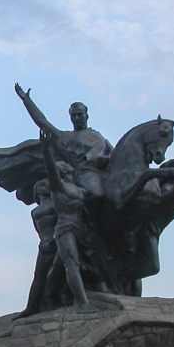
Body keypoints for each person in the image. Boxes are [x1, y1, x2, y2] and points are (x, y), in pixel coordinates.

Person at [16, 84, 113, 200]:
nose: (77, 118)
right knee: (96, 194)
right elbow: (41, 121)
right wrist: (26, 100)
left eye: (80, 114)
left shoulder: (97, 136)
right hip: (85, 173)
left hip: (106, 171)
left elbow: (116, 154)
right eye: (74, 115)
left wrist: (106, 159)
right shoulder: (64, 137)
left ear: (86, 116)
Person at [40, 131, 97, 313]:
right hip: (65, 229)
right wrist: (46, 150)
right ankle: (83, 304)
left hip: (81, 230)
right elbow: (50, 169)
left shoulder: (80, 190)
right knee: (71, 263)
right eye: (62, 165)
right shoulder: (59, 188)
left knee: (58, 268)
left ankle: (48, 294)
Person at [19, 179, 57, 318]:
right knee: (39, 276)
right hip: (45, 245)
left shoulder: (55, 204)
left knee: (53, 274)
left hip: (56, 243)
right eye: (41, 185)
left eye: (46, 184)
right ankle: (31, 307)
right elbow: (39, 231)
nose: (43, 187)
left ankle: (51, 300)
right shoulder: (35, 211)